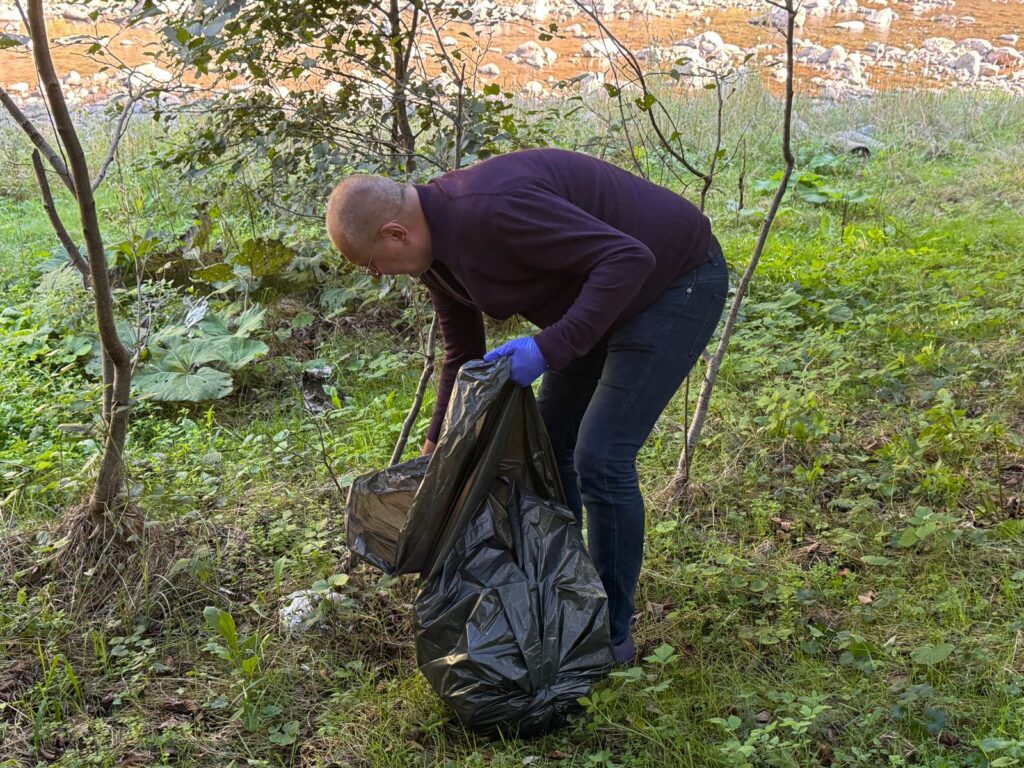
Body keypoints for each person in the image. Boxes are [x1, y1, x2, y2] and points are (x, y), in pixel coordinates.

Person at [326, 148, 728, 663]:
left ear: (394, 234)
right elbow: (462, 352)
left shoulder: (490, 211)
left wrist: (547, 347)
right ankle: (568, 596)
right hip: (603, 296)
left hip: (675, 281)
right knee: (550, 445)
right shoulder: (436, 256)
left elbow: (630, 258)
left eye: (372, 266)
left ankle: (609, 636)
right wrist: (436, 444)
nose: (379, 275)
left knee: (601, 456)